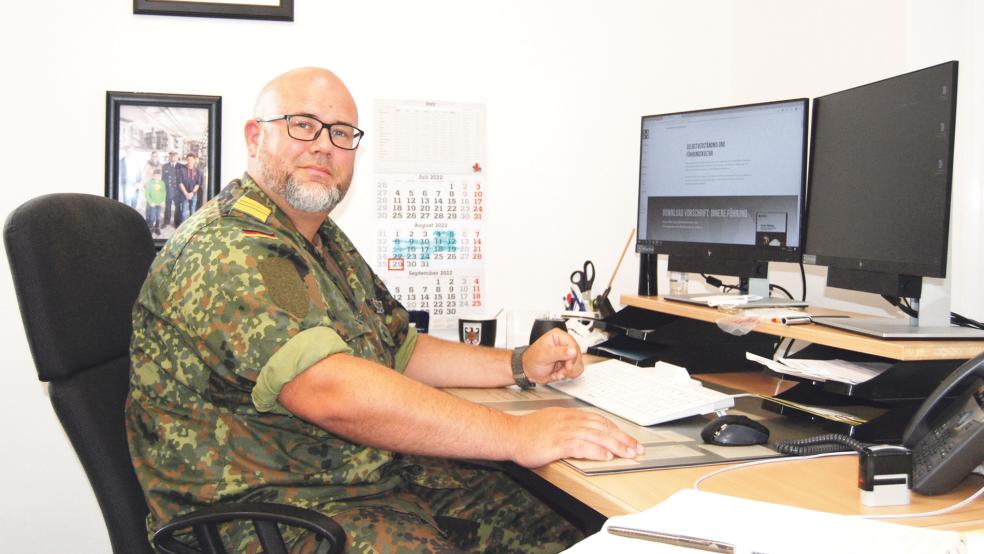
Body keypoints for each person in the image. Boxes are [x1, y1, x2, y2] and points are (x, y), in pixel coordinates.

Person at [125, 67, 642, 553]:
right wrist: (516, 434)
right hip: (275, 512)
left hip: (359, 481)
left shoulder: (317, 238)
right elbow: (331, 390)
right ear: (256, 138)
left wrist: (518, 364)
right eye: (303, 125)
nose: (324, 145)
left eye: (342, 133)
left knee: (574, 526)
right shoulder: (233, 246)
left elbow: (398, 346)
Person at [178, 152, 203, 221]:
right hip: (184, 194)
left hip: (193, 194)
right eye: (188, 159)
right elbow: (180, 183)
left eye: (191, 159)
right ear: (186, 160)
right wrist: (186, 193)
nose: (190, 161)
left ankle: (191, 226)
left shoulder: (198, 171)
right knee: (183, 211)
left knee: (192, 211)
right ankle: (183, 227)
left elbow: (198, 184)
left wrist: (192, 193)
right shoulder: (181, 170)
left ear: (194, 160)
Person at [161, 151, 182, 228]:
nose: (173, 158)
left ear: (177, 157)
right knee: (168, 207)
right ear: (169, 157)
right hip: (168, 190)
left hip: (178, 191)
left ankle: (177, 223)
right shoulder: (165, 166)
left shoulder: (181, 166)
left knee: (178, 207)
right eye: (171, 156)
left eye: (174, 156)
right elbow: (163, 179)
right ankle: (166, 221)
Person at [143, 167, 166, 236]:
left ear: (161, 176)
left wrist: (163, 201)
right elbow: (146, 194)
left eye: (159, 176)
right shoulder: (150, 183)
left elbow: (164, 192)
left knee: (158, 216)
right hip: (152, 203)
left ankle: (157, 228)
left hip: (159, 203)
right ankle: (150, 228)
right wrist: (151, 202)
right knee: (152, 216)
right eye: (156, 176)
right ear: (153, 176)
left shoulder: (162, 183)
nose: (157, 177)